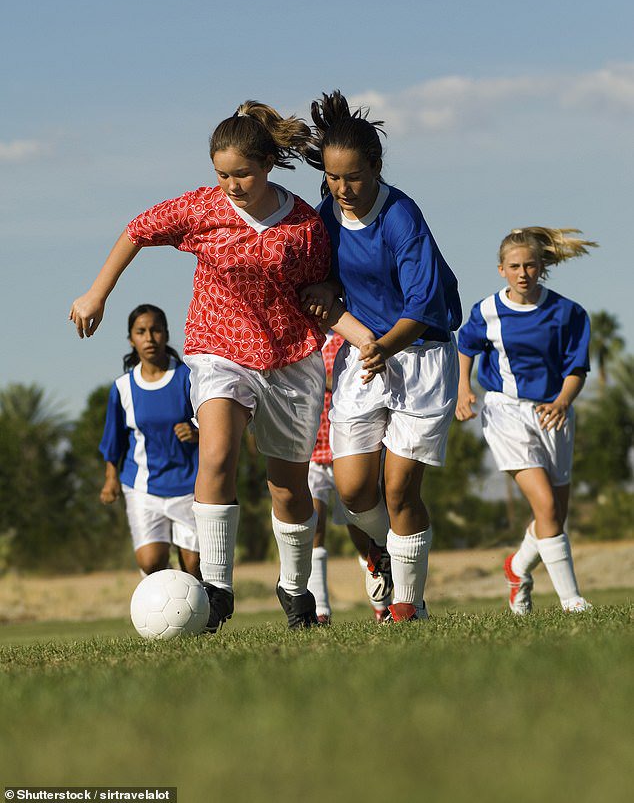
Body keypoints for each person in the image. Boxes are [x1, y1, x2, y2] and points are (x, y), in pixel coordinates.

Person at [70, 101, 335, 632]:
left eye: (242, 174)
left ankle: (295, 588)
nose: (232, 184)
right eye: (222, 174)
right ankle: (216, 593)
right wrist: (97, 292)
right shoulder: (202, 209)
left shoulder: (304, 222)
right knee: (216, 455)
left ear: (266, 165)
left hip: (289, 357)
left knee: (287, 486)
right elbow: (137, 230)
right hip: (219, 350)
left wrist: (329, 289)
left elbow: (327, 280)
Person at [303, 90, 462, 623]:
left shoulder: (401, 216)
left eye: (352, 176)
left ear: (375, 167)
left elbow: (426, 303)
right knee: (352, 489)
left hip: (419, 356)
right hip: (366, 356)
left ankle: (407, 605)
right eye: (331, 177)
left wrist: (382, 345)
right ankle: (381, 554)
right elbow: (321, 286)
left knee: (398, 490)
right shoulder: (327, 215)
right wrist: (329, 296)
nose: (342, 189)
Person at [455, 226, 597, 613]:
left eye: (530, 265)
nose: (522, 273)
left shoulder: (568, 313)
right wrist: (464, 389)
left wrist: (564, 401)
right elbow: (465, 345)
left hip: (554, 414)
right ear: (501, 269)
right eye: (514, 266)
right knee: (547, 507)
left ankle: (517, 568)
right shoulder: (486, 310)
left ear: (542, 268)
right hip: (505, 411)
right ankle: (571, 600)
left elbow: (577, 368)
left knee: (553, 516)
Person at [100, 304, 200, 578]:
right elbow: (114, 439)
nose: (149, 338)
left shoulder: (187, 378)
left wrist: (197, 432)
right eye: (141, 332)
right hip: (143, 486)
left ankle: (200, 612)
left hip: (190, 484)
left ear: (166, 334)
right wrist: (111, 479)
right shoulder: (122, 388)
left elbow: (214, 423)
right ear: (132, 339)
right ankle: (158, 607)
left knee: (194, 566)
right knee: (151, 561)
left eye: (156, 330)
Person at [306, 330, 393, 624]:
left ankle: (381, 603)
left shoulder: (354, 332)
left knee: (363, 535)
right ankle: (320, 611)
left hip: (349, 448)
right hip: (311, 449)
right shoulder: (304, 334)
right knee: (313, 527)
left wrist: (330, 381)